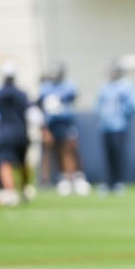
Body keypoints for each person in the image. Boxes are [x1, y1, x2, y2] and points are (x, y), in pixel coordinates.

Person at [38, 61, 90, 196]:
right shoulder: (46, 87)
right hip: (51, 124)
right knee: (53, 151)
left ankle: (76, 177)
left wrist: (58, 100)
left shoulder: (69, 85)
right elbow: (40, 105)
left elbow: (73, 95)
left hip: (67, 123)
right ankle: (58, 179)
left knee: (71, 149)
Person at [0, 61, 30, 206]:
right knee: (22, 163)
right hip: (22, 132)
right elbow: (30, 112)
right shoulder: (22, 94)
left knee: (4, 162)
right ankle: (25, 189)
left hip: (5, 132)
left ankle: (10, 191)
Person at [95, 59, 135, 196]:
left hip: (119, 125)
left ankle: (119, 182)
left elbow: (133, 104)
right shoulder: (105, 86)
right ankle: (109, 182)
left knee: (119, 154)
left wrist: (123, 115)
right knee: (108, 155)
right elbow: (98, 105)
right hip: (105, 126)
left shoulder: (126, 86)